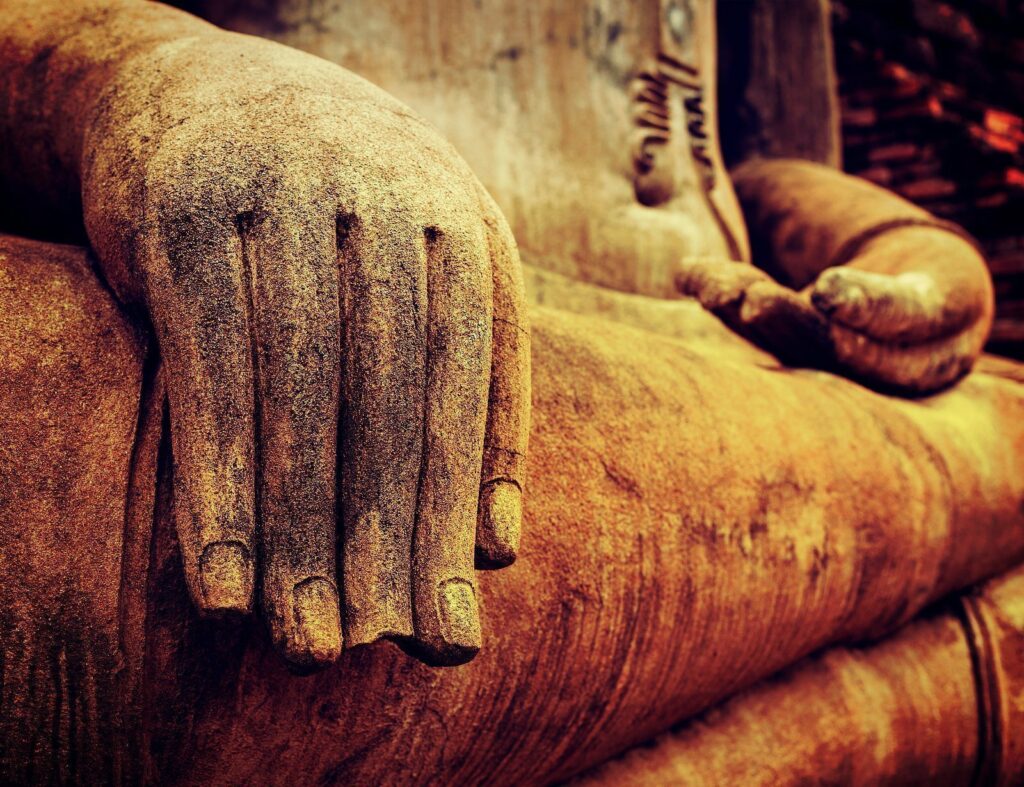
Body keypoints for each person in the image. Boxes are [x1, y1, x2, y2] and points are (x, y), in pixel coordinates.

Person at [0, 0, 1018, 782]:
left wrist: (910, 251)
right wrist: (154, 67)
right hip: (358, 287)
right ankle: (922, 672)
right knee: (87, 515)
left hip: (724, 338)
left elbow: (761, 159)